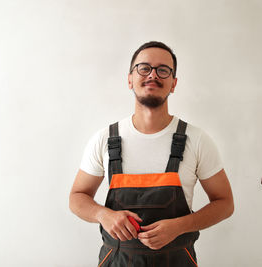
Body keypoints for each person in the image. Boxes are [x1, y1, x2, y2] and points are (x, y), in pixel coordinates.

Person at [69, 41, 234, 266]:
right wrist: (103, 215)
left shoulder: (196, 140)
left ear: (173, 84)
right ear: (130, 79)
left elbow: (225, 203)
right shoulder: (105, 140)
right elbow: (77, 197)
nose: (153, 75)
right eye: (144, 68)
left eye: (163, 70)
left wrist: (180, 226)